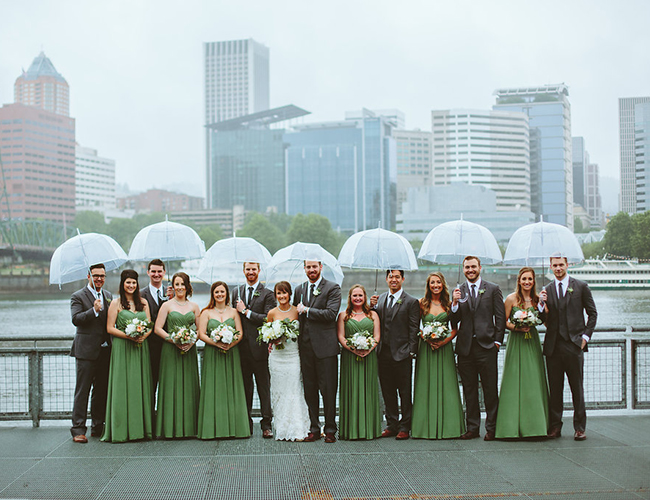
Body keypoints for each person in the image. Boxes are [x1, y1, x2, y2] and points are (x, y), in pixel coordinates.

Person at [541, 255, 597, 441]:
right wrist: (541, 306)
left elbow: (592, 313)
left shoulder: (581, 286)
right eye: (554, 265)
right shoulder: (547, 290)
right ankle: (555, 427)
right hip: (553, 348)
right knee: (555, 389)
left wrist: (585, 337)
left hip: (574, 345)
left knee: (577, 389)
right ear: (550, 267)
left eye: (561, 265)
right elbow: (543, 320)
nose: (558, 268)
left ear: (567, 265)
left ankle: (580, 428)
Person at [450, 256, 506, 441]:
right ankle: (472, 428)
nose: (470, 270)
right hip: (465, 349)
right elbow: (454, 322)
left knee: (490, 390)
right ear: (463, 269)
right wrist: (455, 304)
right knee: (469, 390)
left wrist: (497, 342)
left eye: (473, 266)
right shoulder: (459, 291)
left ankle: (492, 427)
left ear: (480, 267)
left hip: (487, 346)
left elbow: (500, 318)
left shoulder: (493, 289)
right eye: (467, 267)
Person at [495, 267, 549, 439]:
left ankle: (536, 425)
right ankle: (510, 426)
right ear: (519, 280)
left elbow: (545, 320)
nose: (527, 282)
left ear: (534, 281)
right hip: (516, 341)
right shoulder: (511, 299)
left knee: (533, 379)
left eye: (530, 279)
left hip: (532, 341)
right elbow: (503, 322)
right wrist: (517, 327)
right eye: (524, 279)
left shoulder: (538, 299)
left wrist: (543, 307)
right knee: (514, 379)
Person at [411, 272, 465, 439]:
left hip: (444, 348)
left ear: (443, 285)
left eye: (438, 282)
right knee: (425, 384)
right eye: (432, 282)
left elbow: (455, 328)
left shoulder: (449, 304)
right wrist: (426, 337)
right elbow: (415, 326)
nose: (435, 285)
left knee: (447, 384)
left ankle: (449, 426)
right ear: (428, 285)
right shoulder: (421, 304)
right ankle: (423, 427)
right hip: (426, 349)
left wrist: (443, 341)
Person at [102, 269, 154, 442]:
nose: (131, 286)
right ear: (122, 284)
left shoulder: (144, 303)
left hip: (141, 348)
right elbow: (110, 328)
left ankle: (141, 429)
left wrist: (142, 336)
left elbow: (149, 325)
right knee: (122, 385)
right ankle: (120, 429)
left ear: (137, 284)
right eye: (128, 282)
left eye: (133, 282)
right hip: (122, 347)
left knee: (140, 385)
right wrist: (129, 336)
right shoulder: (115, 303)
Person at [293, 260, 342, 443]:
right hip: (305, 348)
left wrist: (308, 310)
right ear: (304, 269)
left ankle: (330, 429)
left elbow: (330, 314)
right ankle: (313, 428)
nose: (311, 270)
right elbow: (295, 316)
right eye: (308, 267)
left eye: (315, 266)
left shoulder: (332, 288)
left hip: (326, 348)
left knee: (328, 390)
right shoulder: (299, 289)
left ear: (321, 267)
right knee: (309, 390)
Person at [370, 270, 420, 440]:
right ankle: (392, 424)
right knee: (388, 391)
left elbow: (414, 328)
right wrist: (371, 306)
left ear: (402, 279)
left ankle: (406, 426)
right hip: (383, 354)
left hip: (402, 354)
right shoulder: (381, 299)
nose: (393, 279)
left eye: (397, 277)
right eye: (391, 276)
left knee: (405, 392)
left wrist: (411, 351)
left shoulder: (411, 302)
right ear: (386, 279)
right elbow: (373, 321)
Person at [197, 281, 250, 439]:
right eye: (216, 292)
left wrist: (230, 343)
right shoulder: (206, 312)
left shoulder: (233, 312)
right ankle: (212, 428)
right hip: (213, 354)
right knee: (214, 387)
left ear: (227, 294)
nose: (219, 295)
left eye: (222, 292)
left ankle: (235, 427)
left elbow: (240, 333)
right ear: (212, 294)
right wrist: (217, 343)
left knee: (231, 387)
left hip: (231, 353)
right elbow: (201, 334)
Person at [153, 272, 201, 438]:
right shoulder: (166, 305)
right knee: (171, 385)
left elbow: (200, 329)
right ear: (172, 287)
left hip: (189, 350)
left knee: (189, 385)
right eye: (177, 284)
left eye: (182, 284)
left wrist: (191, 342)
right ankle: (169, 428)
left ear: (188, 287)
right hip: (170, 351)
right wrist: (173, 339)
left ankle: (190, 428)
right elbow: (157, 328)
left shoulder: (194, 306)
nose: (180, 287)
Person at [70, 264, 113, 443]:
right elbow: (76, 319)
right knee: (83, 390)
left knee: (101, 390)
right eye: (96, 276)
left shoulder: (109, 296)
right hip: (86, 351)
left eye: (102, 276)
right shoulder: (78, 296)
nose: (99, 279)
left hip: (105, 350)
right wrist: (93, 311)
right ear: (88, 276)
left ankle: (98, 426)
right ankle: (78, 429)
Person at [234, 262, 275, 438]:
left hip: (260, 349)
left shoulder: (268, 294)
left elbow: (268, 318)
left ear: (259, 271)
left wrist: (246, 312)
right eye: (248, 269)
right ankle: (246, 424)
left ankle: (266, 425)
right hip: (241, 349)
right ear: (243, 271)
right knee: (245, 388)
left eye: (253, 269)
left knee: (264, 388)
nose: (251, 272)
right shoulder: (236, 292)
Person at [266, 281, 310, 441]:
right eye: (279, 293)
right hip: (277, 358)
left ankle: (298, 428)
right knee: (279, 391)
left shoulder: (297, 312)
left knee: (294, 390)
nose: (282, 296)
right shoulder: (271, 313)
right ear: (275, 295)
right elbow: (267, 334)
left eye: (284, 293)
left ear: (290, 294)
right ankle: (282, 428)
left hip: (293, 356)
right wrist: (273, 340)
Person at [337, 285, 382, 440]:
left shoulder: (373, 315)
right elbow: (341, 337)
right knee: (351, 388)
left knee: (368, 390)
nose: (357, 298)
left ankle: (369, 428)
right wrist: (353, 349)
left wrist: (368, 349)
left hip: (369, 358)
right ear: (349, 297)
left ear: (365, 297)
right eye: (354, 295)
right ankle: (350, 429)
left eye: (360, 295)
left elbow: (377, 336)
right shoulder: (344, 315)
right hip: (350, 358)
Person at [140, 259, 171, 397]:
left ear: (164, 272)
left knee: (168, 385)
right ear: (148, 272)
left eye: (159, 271)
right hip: (148, 346)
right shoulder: (140, 294)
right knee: (149, 385)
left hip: (169, 345)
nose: (156, 274)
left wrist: (172, 299)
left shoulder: (172, 293)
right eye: (153, 271)